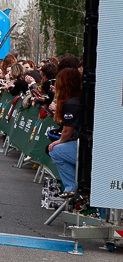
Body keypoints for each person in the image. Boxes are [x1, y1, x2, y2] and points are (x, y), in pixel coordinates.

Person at [48, 68, 82, 198]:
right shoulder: (79, 99)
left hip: (84, 146)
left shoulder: (71, 103)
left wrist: (59, 141)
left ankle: (72, 187)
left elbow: (67, 131)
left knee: (54, 151)